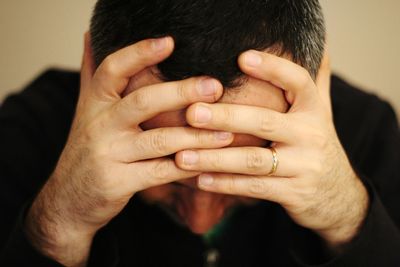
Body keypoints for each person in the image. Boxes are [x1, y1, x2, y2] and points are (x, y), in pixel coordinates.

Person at [1, 0, 400, 266]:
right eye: (159, 157)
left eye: (250, 162)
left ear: (314, 73)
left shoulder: (367, 130)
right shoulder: (30, 129)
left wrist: (349, 219)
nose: (199, 219)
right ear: (94, 68)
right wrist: (58, 226)